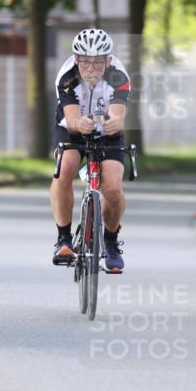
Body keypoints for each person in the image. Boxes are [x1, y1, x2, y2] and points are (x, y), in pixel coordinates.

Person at [50, 28, 131, 273]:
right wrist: (79, 124)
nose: (91, 69)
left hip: (107, 130)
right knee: (66, 168)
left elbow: (118, 114)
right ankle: (64, 240)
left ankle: (111, 241)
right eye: (86, 62)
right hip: (72, 127)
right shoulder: (67, 76)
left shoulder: (119, 75)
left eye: (97, 63)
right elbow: (72, 117)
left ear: (108, 61)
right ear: (77, 60)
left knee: (113, 188)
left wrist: (114, 122)